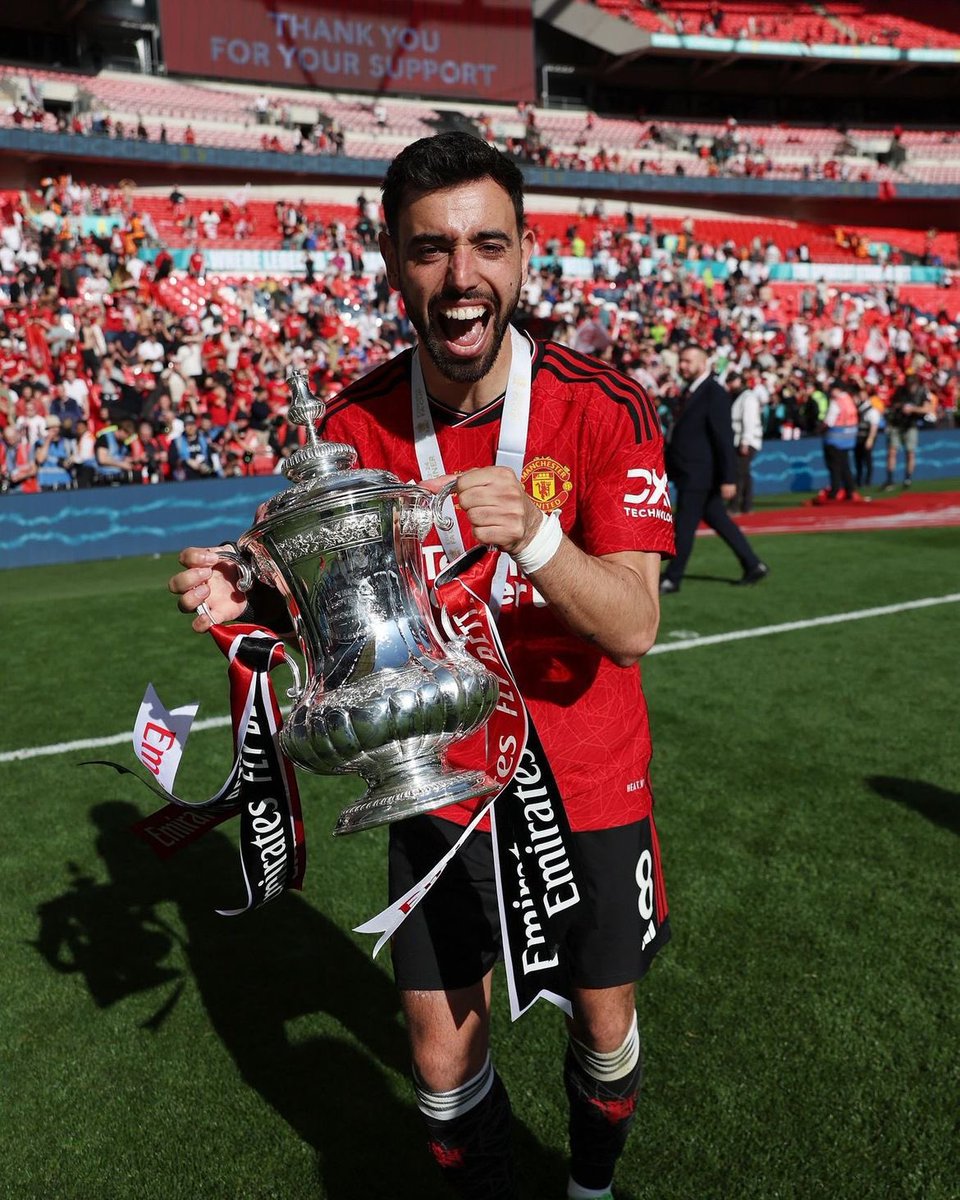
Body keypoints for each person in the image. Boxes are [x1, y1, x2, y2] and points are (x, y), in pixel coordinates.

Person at [169, 131, 674, 1200]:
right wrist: (238, 593)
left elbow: (632, 624)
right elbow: (311, 605)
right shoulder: (352, 428)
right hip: (439, 790)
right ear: (393, 264)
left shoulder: (602, 406)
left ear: (526, 255)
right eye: (431, 250)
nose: (461, 277)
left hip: (585, 784)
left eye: (488, 244)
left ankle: (589, 1187)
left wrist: (536, 540)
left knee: (604, 1019)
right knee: (441, 1063)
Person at [660, 344, 768, 593]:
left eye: (687, 361)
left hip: (701, 473)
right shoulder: (691, 391)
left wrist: (728, 477)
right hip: (690, 470)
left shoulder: (713, 392)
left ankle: (672, 578)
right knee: (719, 520)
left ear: (702, 362)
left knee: (684, 526)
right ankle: (753, 565)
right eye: (681, 361)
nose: (682, 366)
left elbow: (723, 438)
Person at [881, 376, 937, 490]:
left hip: (911, 424)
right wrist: (901, 407)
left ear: (916, 385)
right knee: (892, 451)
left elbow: (927, 409)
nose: (910, 387)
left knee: (910, 452)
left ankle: (908, 478)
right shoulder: (900, 391)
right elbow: (892, 404)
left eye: (912, 385)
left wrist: (912, 409)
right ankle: (890, 480)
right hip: (897, 423)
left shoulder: (922, 392)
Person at [726, 371, 764, 514]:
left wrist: (745, 441)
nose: (730, 384)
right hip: (740, 438)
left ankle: (735, 505)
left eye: (732, 381)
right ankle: (747, 505)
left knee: (738, 473)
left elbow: (748, 421)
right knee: (744, 473)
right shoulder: (738, 396)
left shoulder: (747, 397)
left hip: (747, 439)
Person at [817, 383, 859, 502]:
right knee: (845, 466)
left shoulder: (837, 402)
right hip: (848, 438)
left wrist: (820, 429)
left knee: (834, 467)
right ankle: (850, 490)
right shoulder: (849, 399)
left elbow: (829, 421)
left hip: (834, 438)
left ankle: (835, 491)